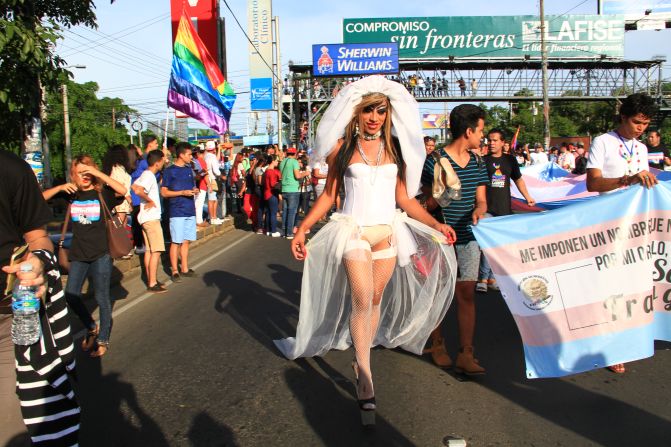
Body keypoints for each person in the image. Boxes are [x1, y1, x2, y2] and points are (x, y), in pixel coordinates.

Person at [276, 76, 457, 426]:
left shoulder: (396, 150)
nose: (373, 117)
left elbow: (404, 200)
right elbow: (329, 196)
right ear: (356, 113)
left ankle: (360, 355)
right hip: (353, 231)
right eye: (367, 110)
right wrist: (302, 228)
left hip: (389, 232)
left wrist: (436, 224)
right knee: (362, 297)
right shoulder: (341, 148)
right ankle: (365, 374)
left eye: (380, 110)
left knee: (374, 299)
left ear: (388, 114)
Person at [0, 150, 80, 445]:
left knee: (14, 432)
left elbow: (39, 239)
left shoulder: (10, 168)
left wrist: (39, 263)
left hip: (11, 317)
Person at [586, 92, 659, 375]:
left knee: (631, 286)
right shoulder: (603, 142)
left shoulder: (641, 149)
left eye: (645, 124)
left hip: (635, 225)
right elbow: (593, 184)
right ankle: (607, 345)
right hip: (606, 223)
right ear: (624, 117)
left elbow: (646, 186)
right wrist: (626, 180)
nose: (641, 128)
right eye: (637, 122)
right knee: (608, 287)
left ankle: (623, 343)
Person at [421, 104, 489, 375]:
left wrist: (480, 210)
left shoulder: (478, 162)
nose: (481, 136)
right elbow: (426, 205)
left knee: (466, 294)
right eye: (480, 131)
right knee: (439, 294)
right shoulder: (434, 161)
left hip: (469, 238)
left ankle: (466, 352)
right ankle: (437, 343)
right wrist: (442, 194)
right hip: (440, 236)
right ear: (469, 131)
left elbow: (481, 200)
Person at [58, 154, 127, 358]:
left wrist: (97, 173)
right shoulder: (71, 194)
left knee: (101, 297)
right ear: (73, 174)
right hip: (79, 253)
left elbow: (122, 190)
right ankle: (91, 326)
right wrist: (61, 188)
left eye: (87, 171)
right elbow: (39, 198)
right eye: (80, 172)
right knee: (71, 294)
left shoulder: (102, 193)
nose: (84, 176)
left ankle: (103, 338)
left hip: (101, 253)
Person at [476, 129, 535, 293]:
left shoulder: (510, 160)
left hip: (504, 209)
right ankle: (482, 278)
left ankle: (492, 278)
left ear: (503, 142)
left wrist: (528, 197)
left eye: (495, 140)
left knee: (498, 246)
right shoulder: (483, 161)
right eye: (489, 140)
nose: (491, 143)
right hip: (487, 208)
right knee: (487, 245)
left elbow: (519, 180)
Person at [161, 142, 198, 282]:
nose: (191, 157)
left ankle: (185, 268)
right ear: (181, 155)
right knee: (176, 241)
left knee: (186, 241)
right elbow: (164, 192)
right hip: (177, 210)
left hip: (189, 209)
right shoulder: (170, 171)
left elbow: (191, 186)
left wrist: (194, 191)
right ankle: (175, 270)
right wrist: (181, 192)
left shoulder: (189, 170)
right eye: (189, 154)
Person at [132, 150, 167, 293]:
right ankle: (152, 282)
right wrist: (150, 200)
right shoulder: (150, 176)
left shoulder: (145, 174)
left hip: (145, 217)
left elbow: (134, 186)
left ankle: (151, 279)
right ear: (158, 162)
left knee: (149, 250)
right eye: (163, 160)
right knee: (156, 251)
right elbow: (138, 190)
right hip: (151, 218)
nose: (164, 163)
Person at [279, 147, 310, 240]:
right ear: (295, 154)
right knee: (292, 212)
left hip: (284, 188)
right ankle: (289, 233)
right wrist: (305, 173)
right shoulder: (294, 162)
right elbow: (297, 175)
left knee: (285, 211)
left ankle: (284, 231)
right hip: (293, 189)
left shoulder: (282, 162)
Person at [102, 144, 133, 227]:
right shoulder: (117, 169)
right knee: (119, 229)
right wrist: (128, 198)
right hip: (120, 203)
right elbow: (120, 186)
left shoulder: (113, 169)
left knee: (121, 228)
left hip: (120, 203)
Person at [204, 141, 223, 225]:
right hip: (212, 179)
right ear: (214, 148)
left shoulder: (206, 156)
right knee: (212, 200)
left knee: (212, 199)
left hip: (208, 178)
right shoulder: (212, 157)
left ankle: (214, 217)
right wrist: (221, 175)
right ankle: (213, 218)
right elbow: (216, 170)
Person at [262, 155, 281, 237]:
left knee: (268, 213)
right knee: (273, 213)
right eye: (276, 160)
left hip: (266, 193)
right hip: (272, 194)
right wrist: (280, 184)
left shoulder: (266, 171)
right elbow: (273, 184)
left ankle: (268, 230)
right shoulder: (272, 171)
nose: (277, 162)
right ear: (272, 161)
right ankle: (273, 230)